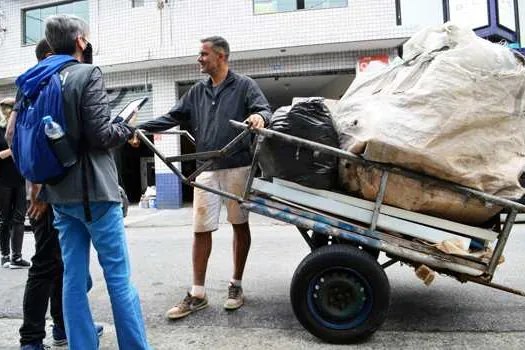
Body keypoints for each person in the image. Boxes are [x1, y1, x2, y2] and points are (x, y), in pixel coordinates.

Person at [13, 15, 151, 349]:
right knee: (118, 278)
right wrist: (127, 124)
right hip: (96, 195)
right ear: (79, 41)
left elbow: (12, 135)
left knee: (73, 278)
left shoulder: (33, 80)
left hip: (59, 196)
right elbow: (101, 135)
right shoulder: (86, 74)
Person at [136, 36, 271, 319]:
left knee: (239, 224)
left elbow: (264, 110)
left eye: (203, 54)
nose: (199, 59)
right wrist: (138, 130)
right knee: (200, 229)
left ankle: (236, 285)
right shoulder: (197, 91)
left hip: (237, 165)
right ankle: (198, 293)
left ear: (221, 56)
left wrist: (258, 117)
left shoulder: (244, 85)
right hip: (205, 168)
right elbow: (171, 116)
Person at [11, 39, 103, 350]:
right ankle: (31, 338)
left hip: (51, 189)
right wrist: (36, 188)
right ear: (51, 56)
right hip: (46, 192)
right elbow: (20, 139)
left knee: (62, 264)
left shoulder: (35, 84)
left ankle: (63, 327)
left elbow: (16, 136)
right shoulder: (40, 85)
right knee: (46, 264)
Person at [0, 97, 30, 269]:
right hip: (3, 180)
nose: (8, 111)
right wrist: (13, 149)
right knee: (5, 219)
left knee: (19, 218)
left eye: (10, 108)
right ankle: (4, 255)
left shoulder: (20, 129)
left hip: (20, 178)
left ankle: (16, 257)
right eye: (6, 108)